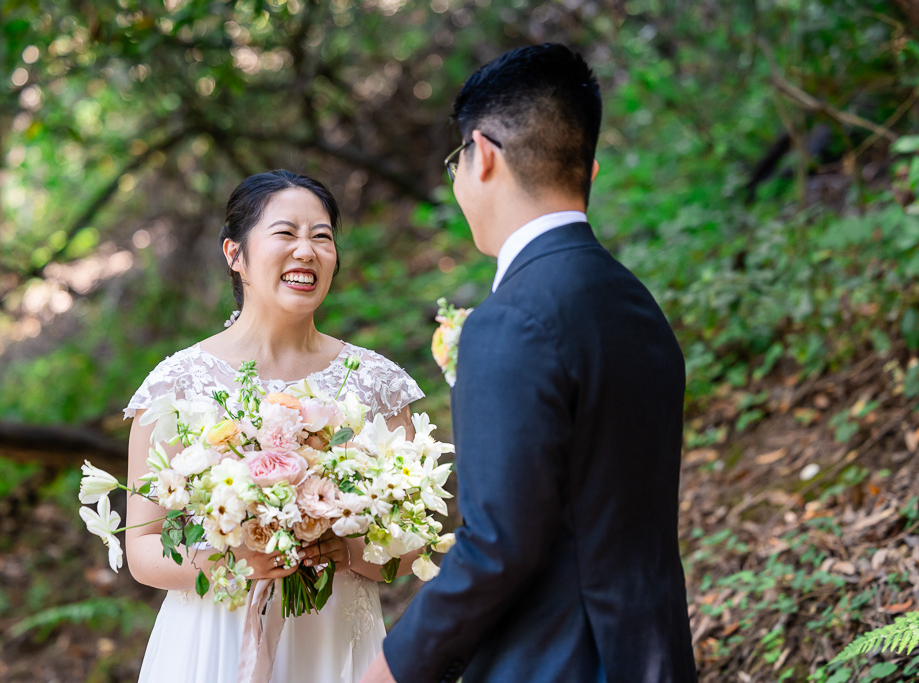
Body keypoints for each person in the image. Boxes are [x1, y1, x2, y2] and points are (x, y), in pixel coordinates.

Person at [361, 44, 697, 682]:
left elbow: (497, 545)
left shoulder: (511, 320)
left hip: (556, 660)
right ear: (588, 169)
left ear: (481, 156)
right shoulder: (635, 303)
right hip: (650, 649)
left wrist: (394, 666)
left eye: (455, 162)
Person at [123, 170, 425, 683]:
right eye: (285, 233)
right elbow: (144, 549)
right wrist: (229, 562)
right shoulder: (176, 385)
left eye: (322, 237)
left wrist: (347, 550)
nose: (306, 251)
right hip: (212, 642)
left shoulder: (378, 385)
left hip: (333, 642)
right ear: (234, 254)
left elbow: (411, 547)